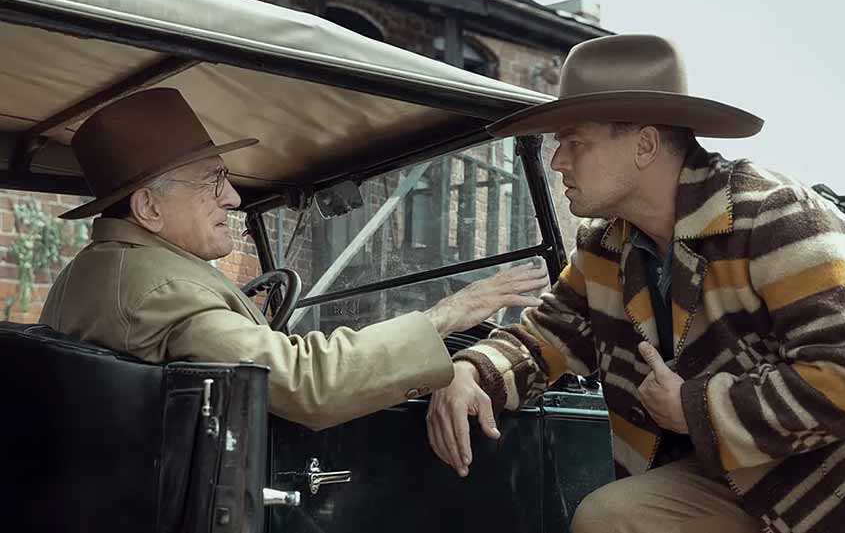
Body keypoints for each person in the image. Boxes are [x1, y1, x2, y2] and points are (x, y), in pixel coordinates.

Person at [426, 34, 845, 533]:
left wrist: (696, 407)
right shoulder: (606, 248)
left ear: (646, 145)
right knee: (610, 519)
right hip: (731, 477)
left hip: (844, 488)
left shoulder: (777, 216)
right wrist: (470, 373)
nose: (558, 161)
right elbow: (544, 339)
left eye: (575, 143)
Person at [39, 87, 548, 431]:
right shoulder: (165, 290)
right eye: (213, 180)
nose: (234, 198)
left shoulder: (94, 273)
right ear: (149, 207)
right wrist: (445, 317)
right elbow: (308, 385)